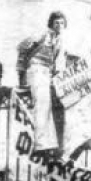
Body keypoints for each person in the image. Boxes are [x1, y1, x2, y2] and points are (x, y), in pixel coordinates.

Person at [16, 11, 68, 157]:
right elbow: (22, 48)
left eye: (62, 23)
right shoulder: (42, 35)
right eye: (56, 23)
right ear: (51, 24)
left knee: (47, 107)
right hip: (36, 70)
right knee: (41, 105)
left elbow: (58, 64)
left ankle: (48, 144)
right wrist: (21, 74)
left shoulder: (59, 41)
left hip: (47, 74)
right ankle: (40, 145)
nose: (59, 25)